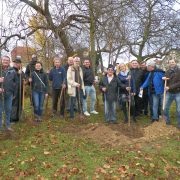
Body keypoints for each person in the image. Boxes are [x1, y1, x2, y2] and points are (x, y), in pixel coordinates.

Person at [0, 56, 18, 131]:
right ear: (1, 60)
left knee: (8, 110)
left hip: (9, 94)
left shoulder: (12, 71)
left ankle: (7, 126)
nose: (5, 61)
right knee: (0, 111)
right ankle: (0, 127)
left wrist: (14, 93)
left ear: (9, 61)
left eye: (7, 60)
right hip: (0, 95)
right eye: (4, 60)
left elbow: (16, 82)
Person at [163, 59, 180, 128]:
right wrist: (164, 80)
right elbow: (165, 83)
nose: (171, 63)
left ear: (175, 63)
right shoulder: (167, 72)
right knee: (165, 108)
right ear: (169, 64)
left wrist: (169, 87)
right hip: (169, 93)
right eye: (170, 62)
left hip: (178, 92)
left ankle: (179, 124)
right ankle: (167, 122)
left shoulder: (179, 71)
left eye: (173, 62)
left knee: (179, 109)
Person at [10, 56, 26, 123]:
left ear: (20, 64)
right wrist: (17, 74)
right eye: (15, 63)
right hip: (14, 91)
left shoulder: (22, 72)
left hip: (20, 91)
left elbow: (24, 79)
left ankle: (18, 117)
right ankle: (12, 119)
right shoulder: (11, 70)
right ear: (14, 63)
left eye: (18, 63)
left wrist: (25, 82)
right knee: (14, 104)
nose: (17, 64)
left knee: (20, 104)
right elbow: (10, 80)